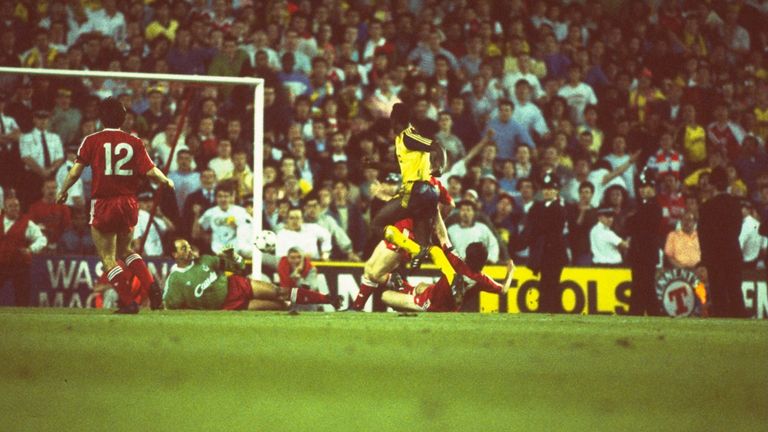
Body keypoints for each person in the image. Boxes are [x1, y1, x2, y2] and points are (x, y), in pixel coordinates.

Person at [56, 97, 175, 313]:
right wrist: (165, 180)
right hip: (129, 202)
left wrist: (63, 190)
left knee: (108, 257)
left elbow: (75, 171)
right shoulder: (135, 142)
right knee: (126, 250)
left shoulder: (91, 140)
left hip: (104, 202)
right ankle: (152, 288)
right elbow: (150, 171)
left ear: (101, 117)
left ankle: (129, 303)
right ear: (123, 118)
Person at [163, 239, 339, 311]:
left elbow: (239, 267)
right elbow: (170, 307)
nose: (189, 250)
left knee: (280, 292)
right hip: (228, 305)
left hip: (236, 284)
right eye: (183, 248)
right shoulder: (175, 280)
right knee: (278, 305)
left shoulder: (206, 260)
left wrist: (233, 256)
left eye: (188, 246)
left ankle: (327, 299)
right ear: (174, 255)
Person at [381, 229, 515, 312]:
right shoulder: (482, 280)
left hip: (432, 306)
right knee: (422, 286)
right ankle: (404, 288)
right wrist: (510, 272)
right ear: (484, 261)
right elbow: (503, 290)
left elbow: (442, 235)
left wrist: (437, 210)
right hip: (440, 299)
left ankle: (407, 306)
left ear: (467, 256)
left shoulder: (457, 262)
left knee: (385, 296)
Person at [698, 167, 747, 318]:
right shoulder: (736, 204)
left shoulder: (706, 207)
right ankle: (740, 325)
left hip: (715, 256)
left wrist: (705, 260)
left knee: (719, 294)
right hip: (732, 252)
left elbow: (703, 237)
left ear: (712, 184)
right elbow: (738, 229)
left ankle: (722, 327)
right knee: (735, 292)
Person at [520, 172, 567, 313]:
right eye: (545, 189)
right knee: (545, 283)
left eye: (550, 189)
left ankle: (550, 310)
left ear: (556, 191)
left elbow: (547, 228)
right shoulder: (538, 207)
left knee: (551, 283)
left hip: (554, 252)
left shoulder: (559, 208)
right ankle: (547, 310)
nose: (547, 191)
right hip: (542, 252)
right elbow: (531, 227)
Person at [625, 169, 663, 316]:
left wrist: (634, 220)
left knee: (644, 285)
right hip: (639, 253)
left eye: (646, 186)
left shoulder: (654, 206)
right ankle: (644, 312)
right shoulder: (643, 206)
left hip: (646, 253)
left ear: (653, 188)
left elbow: (637, 224)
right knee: (641, 286)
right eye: (641, 187)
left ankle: (642, 313)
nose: (642, 190)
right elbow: (630, 225)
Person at [0, 196, 47, 306]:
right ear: (4, 208)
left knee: (22, 295)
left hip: (19, 264)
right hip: (1, 263)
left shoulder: (27, 223)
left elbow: (42, 239)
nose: (14, 208)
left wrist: (31, 249)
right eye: (11, 206)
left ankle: (23, 316)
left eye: (16, 206)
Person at [192, 184, 249, 255]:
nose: (223, 199)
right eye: (220, 196)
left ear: (231, 197)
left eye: (226, 196)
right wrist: (196, 215)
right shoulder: (210, 212)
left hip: (236, 249)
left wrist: (237, 228)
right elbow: (196, 234)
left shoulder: (241, 211)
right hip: (217, 249)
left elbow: (249, 232)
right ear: (216, 198)